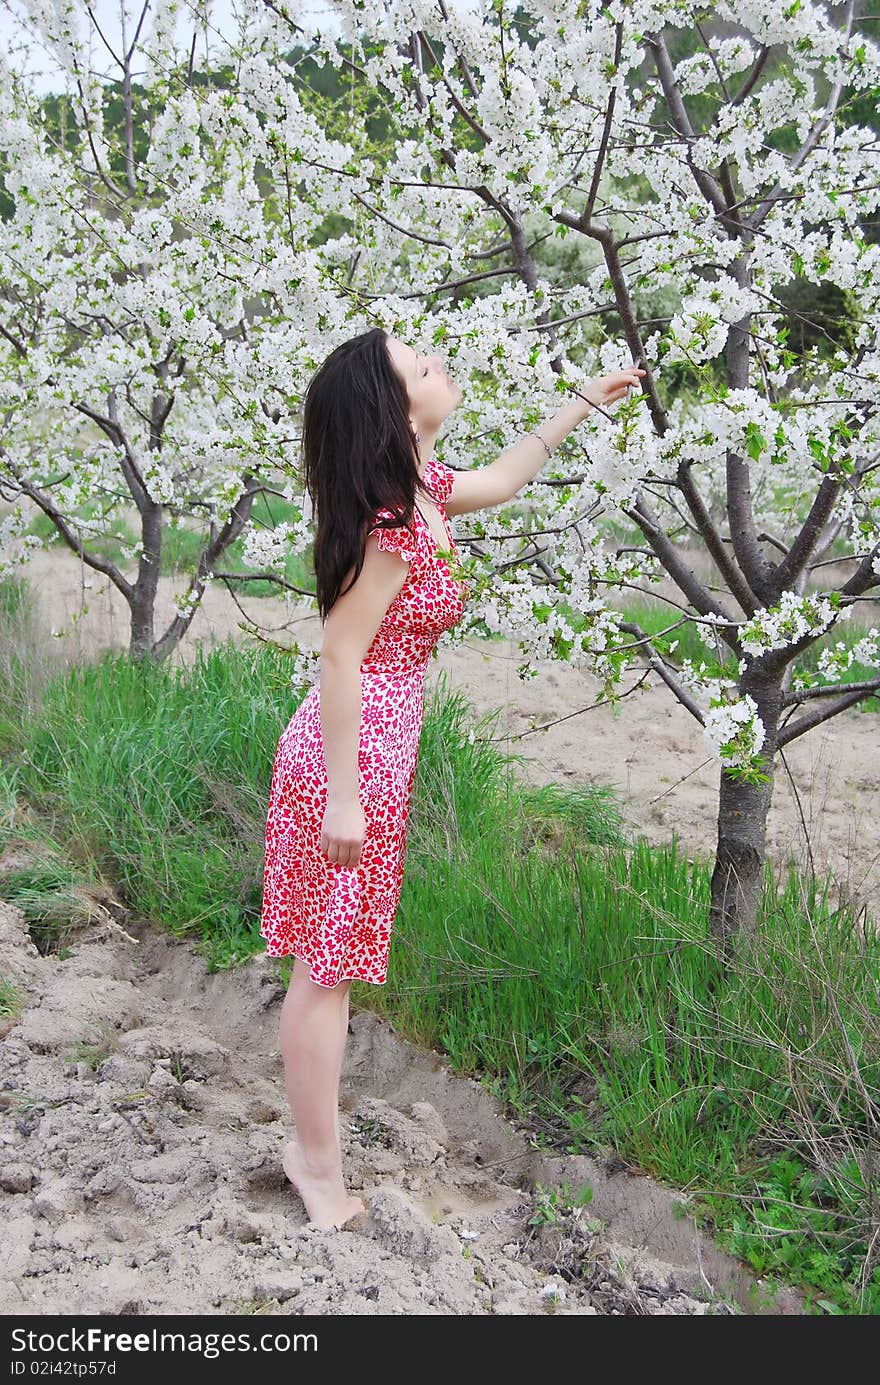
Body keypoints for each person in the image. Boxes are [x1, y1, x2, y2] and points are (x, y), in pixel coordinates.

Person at [259, 327, 646, 1229]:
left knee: (330, 967)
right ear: (393, 412)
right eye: (418, 367)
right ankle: (315, 1165)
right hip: (348, 758)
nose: (439, 365)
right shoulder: (392, 528)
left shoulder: (423, 494)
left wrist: (583, 405)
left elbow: (506, 479)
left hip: (375, 753)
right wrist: (348, 793)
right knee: (326, 971)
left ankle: (313, 1151)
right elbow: (340, 655)